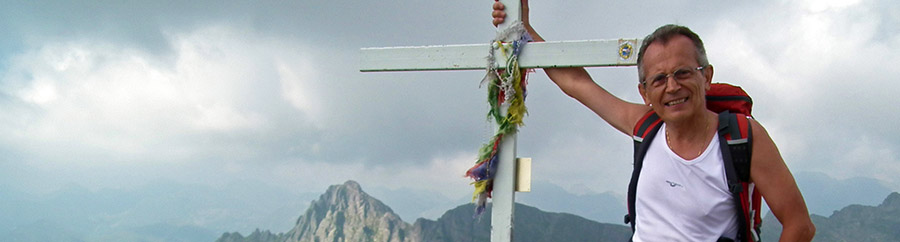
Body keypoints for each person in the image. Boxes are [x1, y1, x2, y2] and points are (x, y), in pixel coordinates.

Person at [492, 0, 816, 241]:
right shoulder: (645, 126)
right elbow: (578, 84)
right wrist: (524, 30)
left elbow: (799, 225)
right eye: (659, 79)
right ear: (644, 91)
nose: (672, 87)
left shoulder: (742, 137)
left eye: (683, 73)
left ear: (707, 77)